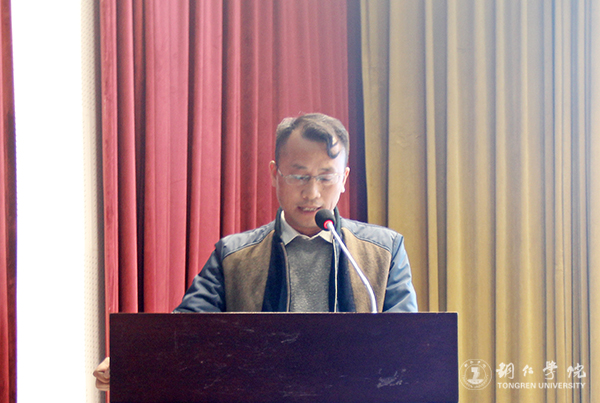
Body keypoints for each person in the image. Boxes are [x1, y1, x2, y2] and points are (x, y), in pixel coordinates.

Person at [93, 113, 418, 390]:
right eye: (299, 176)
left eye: (325, 177)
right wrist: (133, 362)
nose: (312, 192)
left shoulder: (384, 252)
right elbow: (186, 333)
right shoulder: (233, 257)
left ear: (344, 179)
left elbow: (408, 349)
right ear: (275, 174)